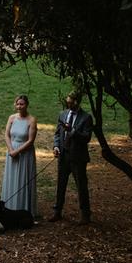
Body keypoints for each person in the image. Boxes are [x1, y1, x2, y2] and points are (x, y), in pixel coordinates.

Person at [50, 91, 93, 223]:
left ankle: (85, 215)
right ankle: (57, 211)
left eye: (70, 103)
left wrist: (72, 131)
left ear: (77, 102)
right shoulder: (63, 114)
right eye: (67, 102)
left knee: (81, 186)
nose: (68, 105)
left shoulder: (86, 117)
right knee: (61, 184)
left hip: (78, 158)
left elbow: (87, 137)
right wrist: (56, 146)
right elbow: (58, 134)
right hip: (63, 156)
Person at [1, 95, 39, 218]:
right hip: (11, 152)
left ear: (26, 105)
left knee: (23, 179)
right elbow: (7, 135)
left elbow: (30, 140)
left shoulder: (32, 120)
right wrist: (11, 150)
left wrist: (17, 152)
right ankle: (10, 207)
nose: (19, 106)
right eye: (17, 104)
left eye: (22, 104)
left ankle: (23, 210)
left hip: (25, 154)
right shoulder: (11, 118)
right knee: (11, 178)